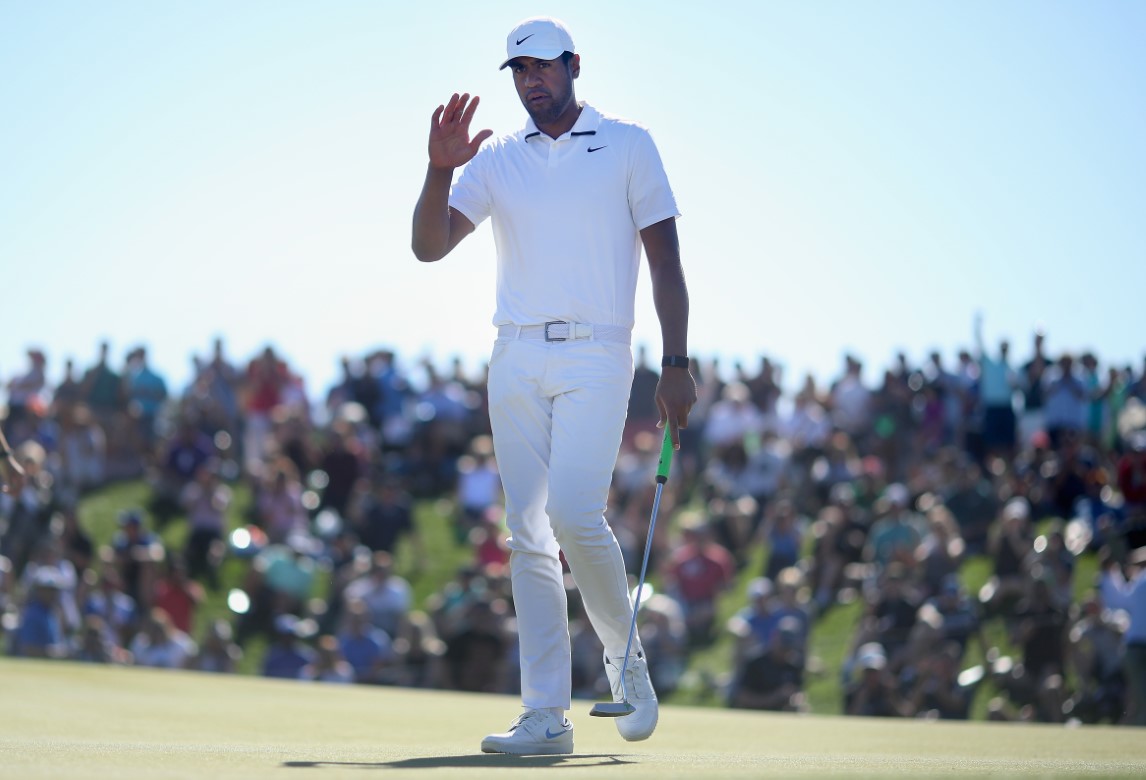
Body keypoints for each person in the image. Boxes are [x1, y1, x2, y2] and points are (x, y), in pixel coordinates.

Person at [411, 17, 695, 755]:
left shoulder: (628, 144)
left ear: (573, 64)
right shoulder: (498, 158)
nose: (532, 81)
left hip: (599, 355)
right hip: (514, 356)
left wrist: (676, 362)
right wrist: (440, 168)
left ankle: (623, 658)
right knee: (527, 534)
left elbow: (665, 261)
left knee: (573, 513)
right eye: (519, 72)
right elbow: (430, 247)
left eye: (542, 67)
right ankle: (546, 716)